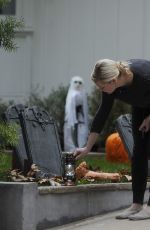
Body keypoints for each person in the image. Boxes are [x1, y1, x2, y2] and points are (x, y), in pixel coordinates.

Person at [74, 59, 150, 220]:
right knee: (139, 153)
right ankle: (136, 204)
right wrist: (87, 148)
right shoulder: (111, 85)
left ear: (113, 80)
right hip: (142, 104)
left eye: (102, 87)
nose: (100, 90)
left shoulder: (144, 76)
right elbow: (102, 114)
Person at [64, 76, 89, 152]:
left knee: (81, 134)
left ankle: (79, 148)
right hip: (72, 119)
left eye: (80, 82)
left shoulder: (81, 94)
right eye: (76, 82)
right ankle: (73, 150)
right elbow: (70, 109)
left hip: (80, 119)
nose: (78, 84)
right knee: (71, 134)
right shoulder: (73, 94)